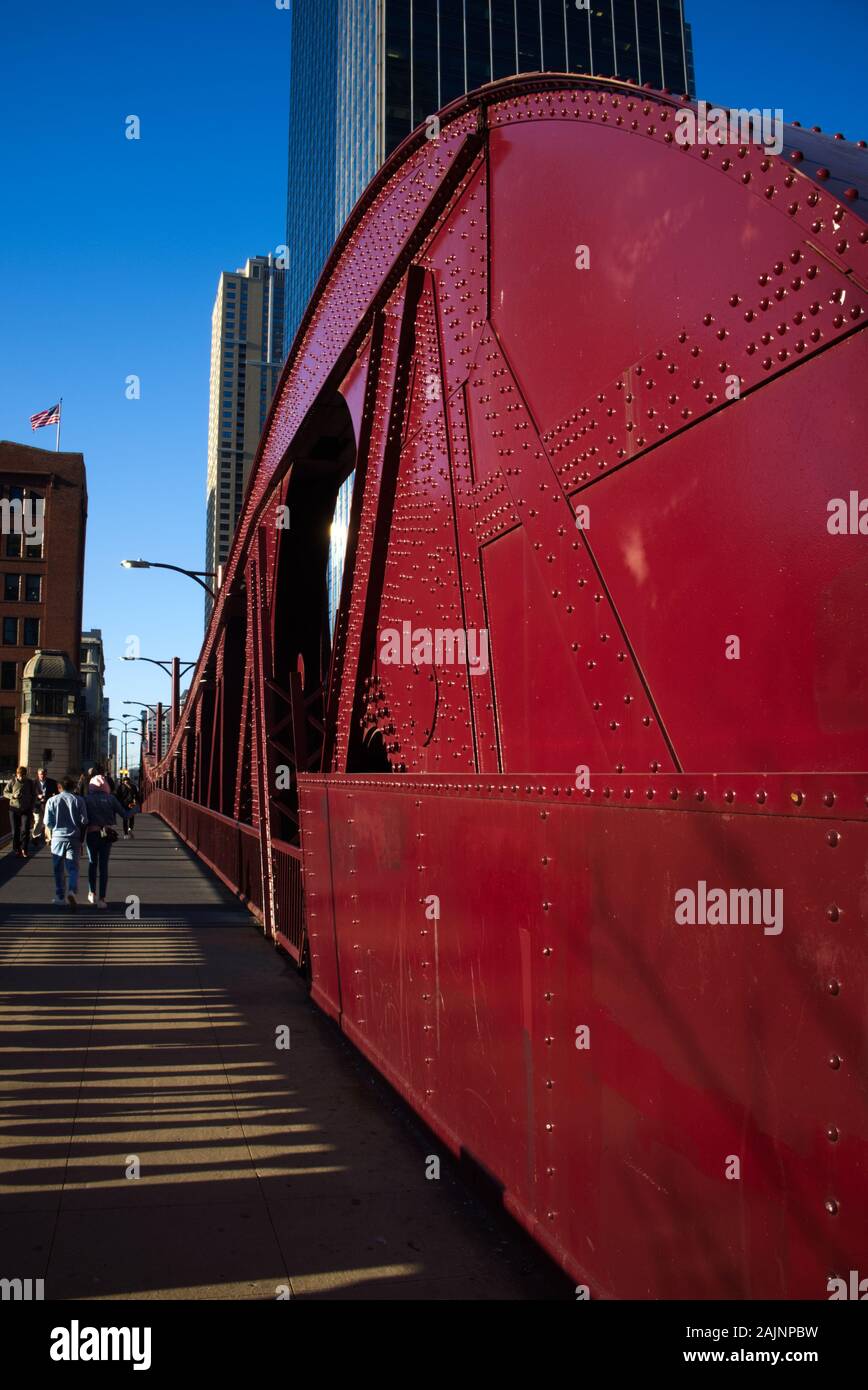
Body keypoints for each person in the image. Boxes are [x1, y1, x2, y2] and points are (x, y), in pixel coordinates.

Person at [83, 774, 125, 908]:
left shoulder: (86, 799)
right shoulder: (111, 798)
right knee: (103, 866)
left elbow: (83, 819)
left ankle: (91, 893)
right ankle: (102, 898)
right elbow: (124, 814)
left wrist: (79, 839)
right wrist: (136, 808)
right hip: (106, 834)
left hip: (91, 834)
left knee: (92, 863)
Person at [45, 776, 88, 909]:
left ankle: (60, 896)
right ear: (72, 787)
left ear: (59, 787)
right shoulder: (79, 800)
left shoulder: (52, 800)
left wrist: (54, 829)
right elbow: (84, 820)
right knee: (73, 867)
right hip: (74, 837)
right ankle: (72, 891)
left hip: (57, 837)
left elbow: (48, 822)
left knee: (58, 868)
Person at [3, 766, 35, 858]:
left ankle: (24, 849)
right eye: (20, 776)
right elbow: (5, 792)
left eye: (23, 776)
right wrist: (13, 795)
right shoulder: (12, 781)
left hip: (26, 809)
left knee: (25, 830)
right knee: (15, 831)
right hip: (14, 809)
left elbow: (34, 795)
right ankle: (16, 849)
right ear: (17, 774)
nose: (22, 778)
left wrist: (31, 807)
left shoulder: (30, 782)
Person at [32, 767, 59, 845]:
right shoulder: (33, 783)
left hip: (48, 805)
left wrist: (51, 799)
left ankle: (48, 839)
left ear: (46, 774)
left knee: (48, 821)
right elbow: (30, 794)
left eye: (43, 774)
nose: (42, 776)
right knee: (38, 821)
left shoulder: (52, 782)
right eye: (40, 774)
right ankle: (35, 837)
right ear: (38, 774)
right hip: (37, 805)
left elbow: (56, 794)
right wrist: (37, 796)